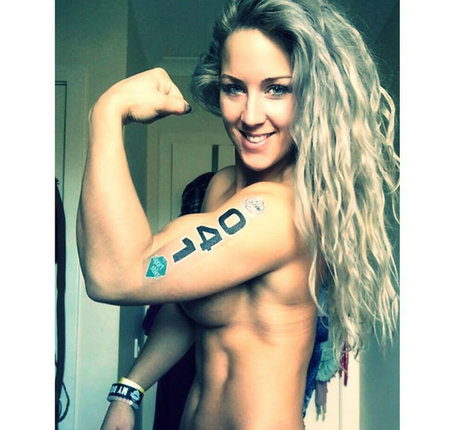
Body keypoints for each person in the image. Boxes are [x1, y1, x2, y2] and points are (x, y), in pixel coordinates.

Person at [77, 0, 399, 429]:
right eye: (234, 88)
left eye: (276, 89)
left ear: (311, 95)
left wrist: (105, 112)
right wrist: (131, 387)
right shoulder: (221, 187)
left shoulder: (283, 210)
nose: (250, 115)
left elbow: (113, 274)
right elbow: (188, 304)